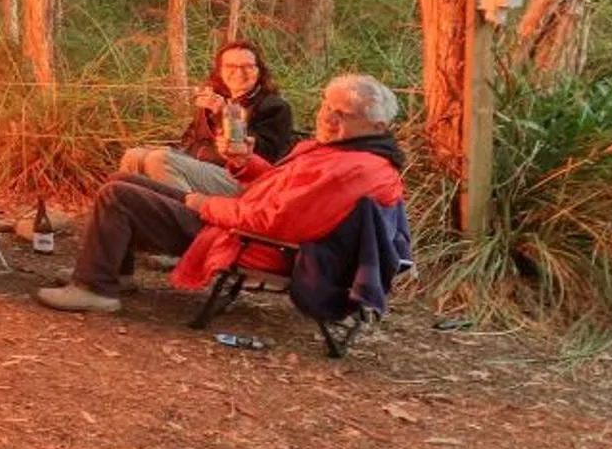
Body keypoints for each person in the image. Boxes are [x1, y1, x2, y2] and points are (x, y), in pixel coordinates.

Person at [37, 72, 405, 316]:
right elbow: (278, 188)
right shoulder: (344, 152)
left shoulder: (353, 169)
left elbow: (273, 221)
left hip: (247, 240)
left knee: (118, 197)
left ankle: (96, 289)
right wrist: (244, 164)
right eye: (326, 105)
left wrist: (205, 204)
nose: (327, 116)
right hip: (241, 222)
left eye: (342, 113)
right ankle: (111, 272)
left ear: (377, 125)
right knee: (123, 178)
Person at [113, 39, 296, 198]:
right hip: (201, 165)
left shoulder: (274, 107)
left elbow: (263, 156)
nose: (239, 73)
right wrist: (173, 150)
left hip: (243, 179)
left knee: (160, 160)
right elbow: (189, 139)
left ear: (259, 71)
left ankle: (183, 217)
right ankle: (133, 214)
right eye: (231, 67)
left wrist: (223, 114)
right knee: (134, 156)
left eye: (247, 66)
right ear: (220, 71)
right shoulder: (213, 98)